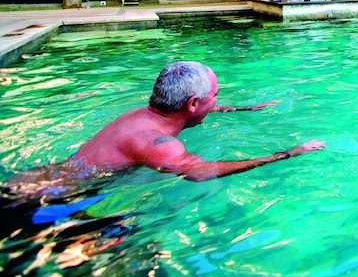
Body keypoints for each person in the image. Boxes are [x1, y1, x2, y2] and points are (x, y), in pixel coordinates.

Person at [4, 62, 325, 197]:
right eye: (216, 96)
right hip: (48, 199)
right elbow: (201, 172)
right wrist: (286, 154)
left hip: (33, 181)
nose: (217, 101)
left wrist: (241, 109)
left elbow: (197, 110)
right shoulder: (160, 145)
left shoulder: (144, 116)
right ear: (193, 104)